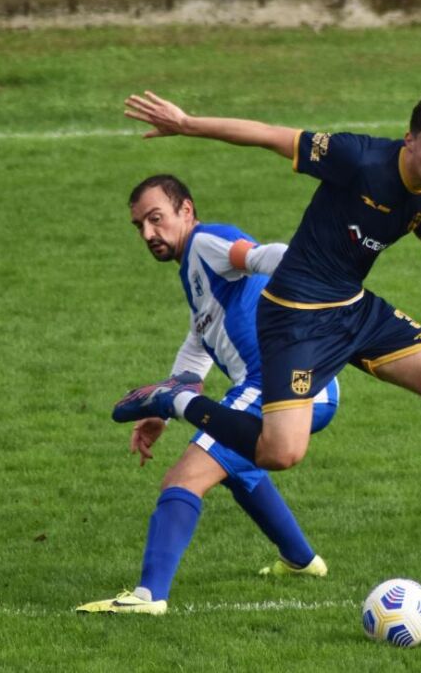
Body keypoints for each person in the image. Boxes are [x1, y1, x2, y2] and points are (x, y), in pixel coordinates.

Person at [115, 91, 421, 557]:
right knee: (280, 453)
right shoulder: (358, 158)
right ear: (410, 140)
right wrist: (187, 124)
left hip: (353, 309)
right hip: (295, 317)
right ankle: (176, 399)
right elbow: (270, 136)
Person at [77, 175, 340, 616]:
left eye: (156, 219)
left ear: (186, 210)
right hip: (303, 387)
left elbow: (264, 256)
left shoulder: (204, 242)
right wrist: (162, 409)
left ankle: (149, 596)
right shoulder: (195, 272)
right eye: (140, 226)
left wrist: (318, 275)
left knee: (183, 479)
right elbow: (198, 343)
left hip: (274, 387)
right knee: (240, 469)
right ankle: (301, 560)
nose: (148, 233)